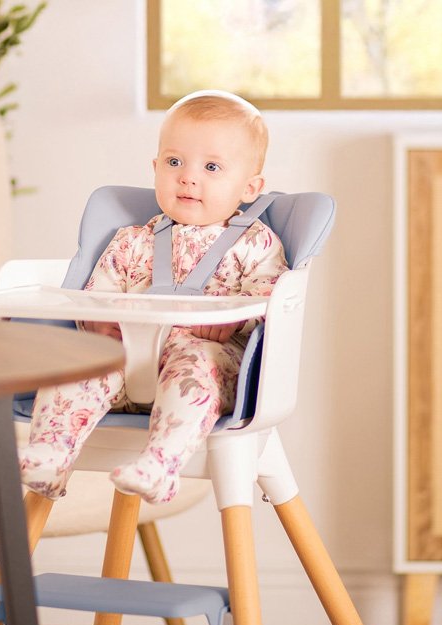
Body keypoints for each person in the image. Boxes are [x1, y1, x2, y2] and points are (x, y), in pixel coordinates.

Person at [18, 90, 288, 504]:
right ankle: (51, 453)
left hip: (207, 365)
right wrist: (100, 324)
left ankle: (160, 464)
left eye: (212, 167)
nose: (188, 176)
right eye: (174, 162)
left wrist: (235, 319)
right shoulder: (131, 241)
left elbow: (272, 296)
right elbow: (95, 295)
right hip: (127, 363)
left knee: (197, 366)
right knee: (80, 362)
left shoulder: (256, 244)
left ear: (250, 187)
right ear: (155, 167)